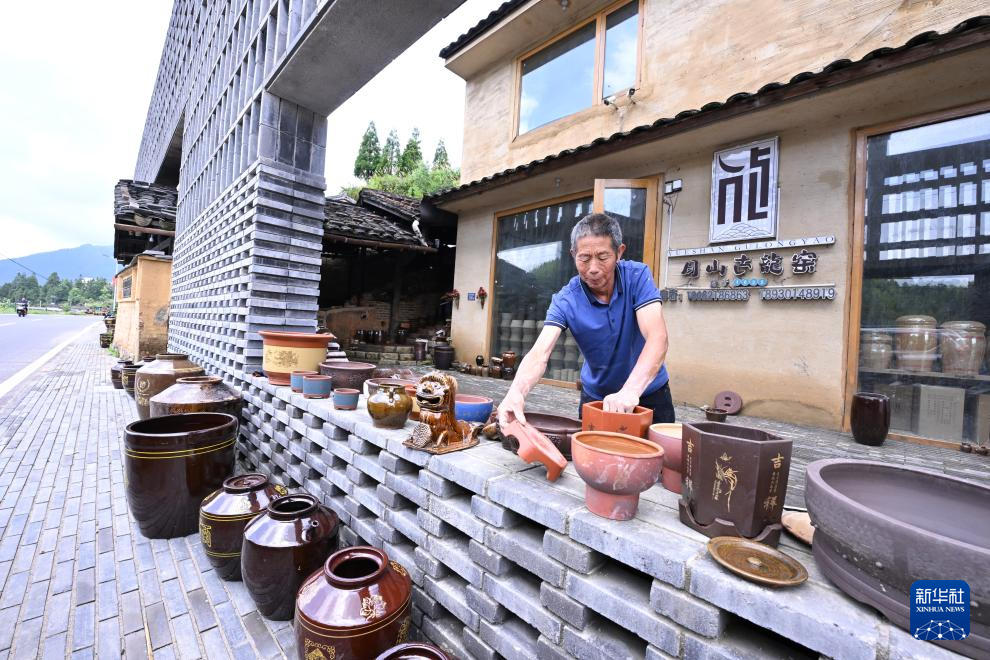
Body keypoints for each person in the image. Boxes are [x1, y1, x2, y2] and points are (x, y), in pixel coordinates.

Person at [497, 213, 673, 425]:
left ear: (619, 252)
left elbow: (657, 337)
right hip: (596, 397)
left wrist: (630, 390)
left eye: (603, 257)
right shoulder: (566, 299)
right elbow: (540, 353)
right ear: (573, 255)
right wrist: (515, 393)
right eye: (584, 258)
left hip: (649, 392)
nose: (593, 269)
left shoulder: (637, 277)